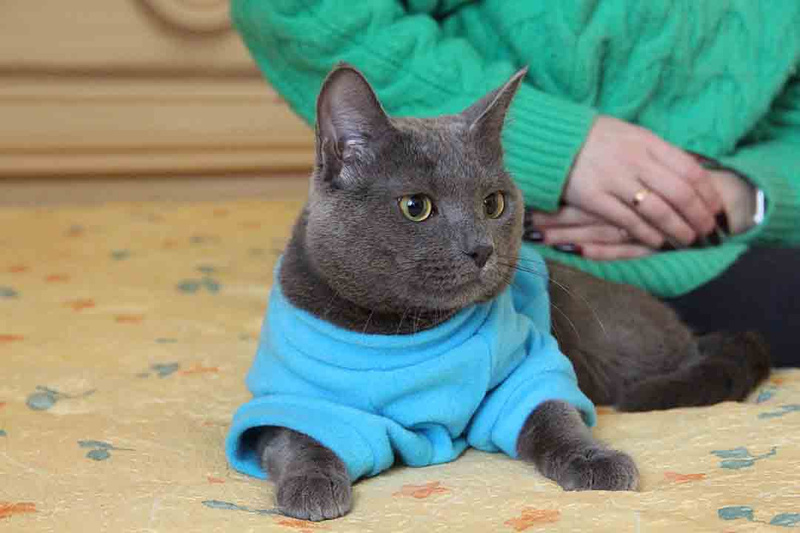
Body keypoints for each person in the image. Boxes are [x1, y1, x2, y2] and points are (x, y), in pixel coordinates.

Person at [230, 0, 800, 366]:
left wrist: (739, 195)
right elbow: (295, 9)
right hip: (510, 267)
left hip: (722, 246)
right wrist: (559, 144)